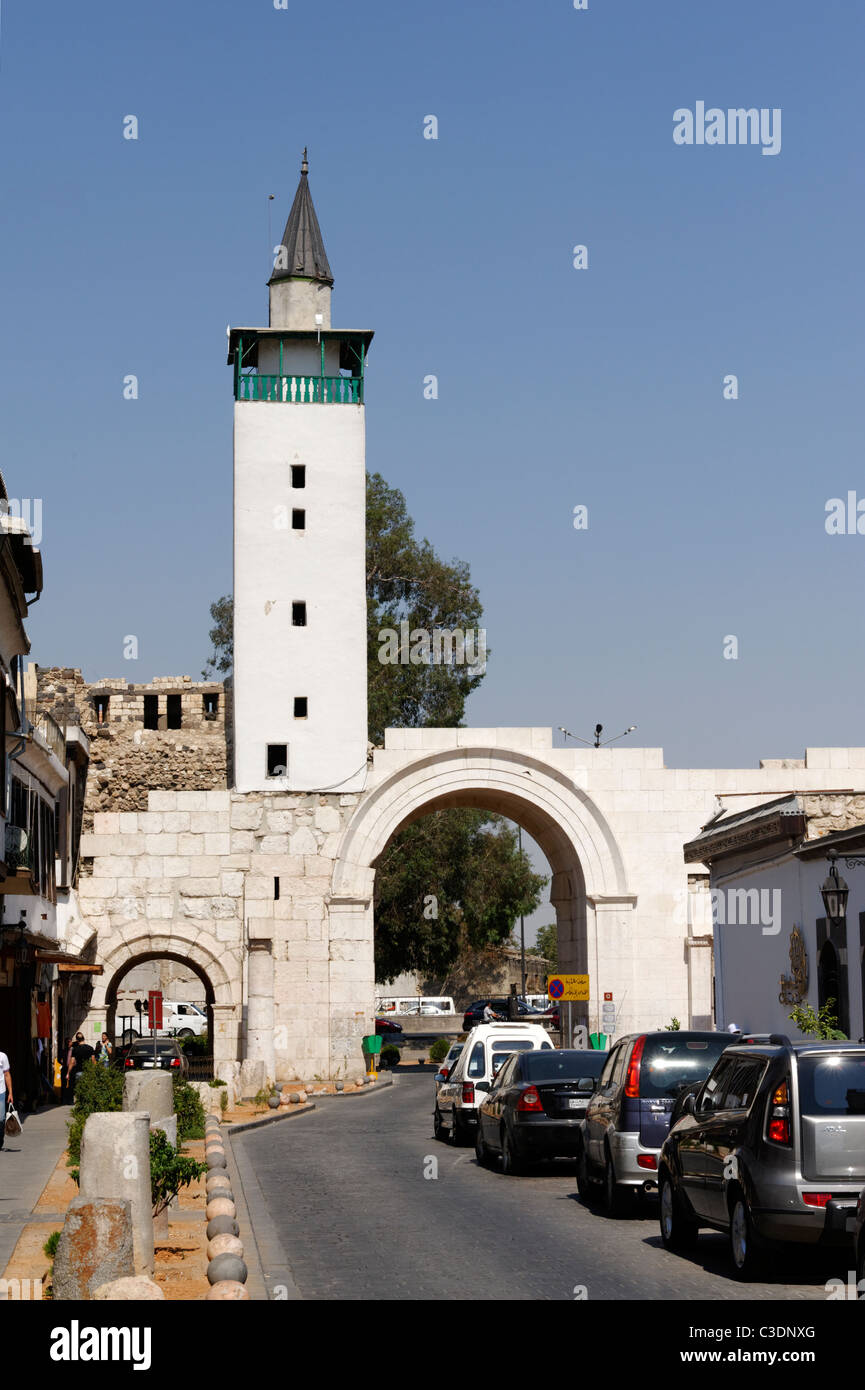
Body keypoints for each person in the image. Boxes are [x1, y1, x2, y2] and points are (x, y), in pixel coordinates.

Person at [68, 1032, 95, 1098]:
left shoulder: (75, 1049)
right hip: (88, 1071)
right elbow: (93, 1061)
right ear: (84, 1038)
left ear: (77, 1040)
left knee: (79, 1090)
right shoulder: (90, 1048)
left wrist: (68, 1072)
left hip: (78, 1071)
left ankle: (80, 1102)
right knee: (87, 1089)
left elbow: (72, 1062)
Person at [0, 1050, 12, 1150]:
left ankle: (0, 1141)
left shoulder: (3, 1056)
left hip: (1, 1091)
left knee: (1, 1119)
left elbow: (7, 1075)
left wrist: (10, 1093)